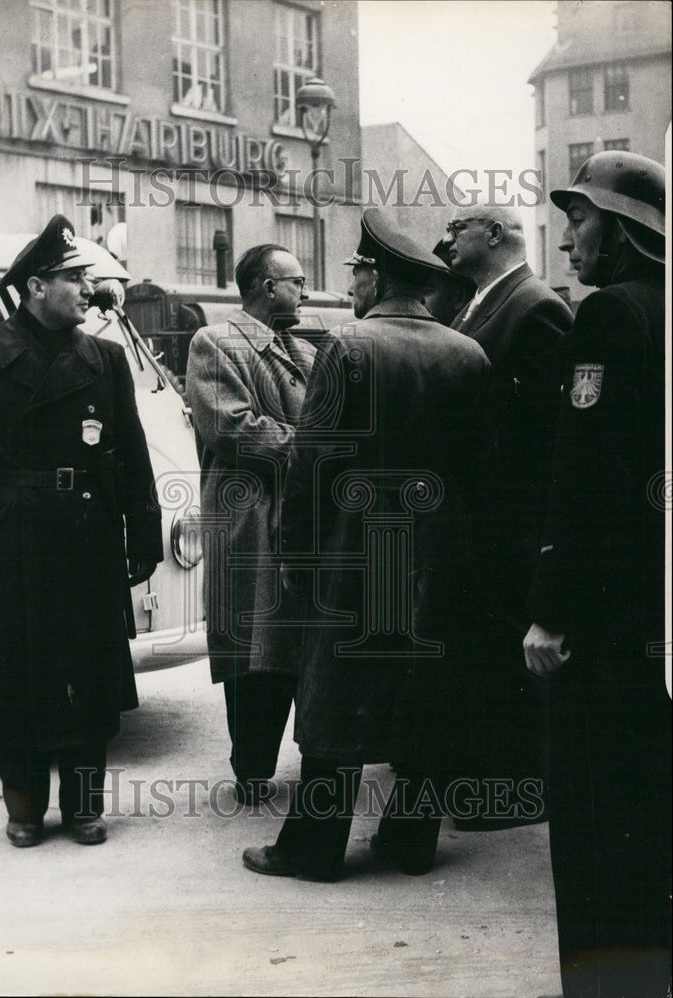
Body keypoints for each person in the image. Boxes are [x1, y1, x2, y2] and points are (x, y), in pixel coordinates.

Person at [242, 208, 493, 881]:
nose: (352, 279)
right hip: (443, 548)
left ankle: (312, 848)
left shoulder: (347, 348)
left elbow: (312, 465)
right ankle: (410, 842)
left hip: (359, 546)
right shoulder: (466, 352)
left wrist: (296, 553)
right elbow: (480, 466)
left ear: (377, 274)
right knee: (428, 691)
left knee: (334, 697)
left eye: (357, 268)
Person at [0, 215, 163, 848]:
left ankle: (85, 808)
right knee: (16, 677)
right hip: (11, 538)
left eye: (87, 277)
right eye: (73, 278)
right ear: (36, 287)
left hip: (87, 534)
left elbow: (132, 452)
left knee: (88, 675)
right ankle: (25, 809)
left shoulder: (107, 358)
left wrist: (143, 532)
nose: (86, 289)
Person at [523, 151, 670, 998]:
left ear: (618, 232)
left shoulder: (611, 315)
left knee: (595, 819)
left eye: (579, 219)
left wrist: (551, 610)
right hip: (661, 612)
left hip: (609, 624)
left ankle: (611, 985)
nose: (568, 236)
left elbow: (586, 479)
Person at [442, 204, 573, 828]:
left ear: (493, 234)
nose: (448, 238)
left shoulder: (536, 305)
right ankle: (487, 782)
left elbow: (543, 437)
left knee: (504, 657)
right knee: (485, 655)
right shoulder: (476, 302)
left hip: (509, 523)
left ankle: (517, 793)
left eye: (457, 228)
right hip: (479, 520)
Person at [185, 244, 316, 805]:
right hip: (248, 520)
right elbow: (231, 428)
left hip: (294, 514)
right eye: (297, 281)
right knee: (252, 645)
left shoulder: (300, 348)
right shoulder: (214, 342)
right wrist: (315, 447)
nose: (304, 292)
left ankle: (268, 763)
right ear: (266, 286)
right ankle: (253, 769)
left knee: (289, 642)